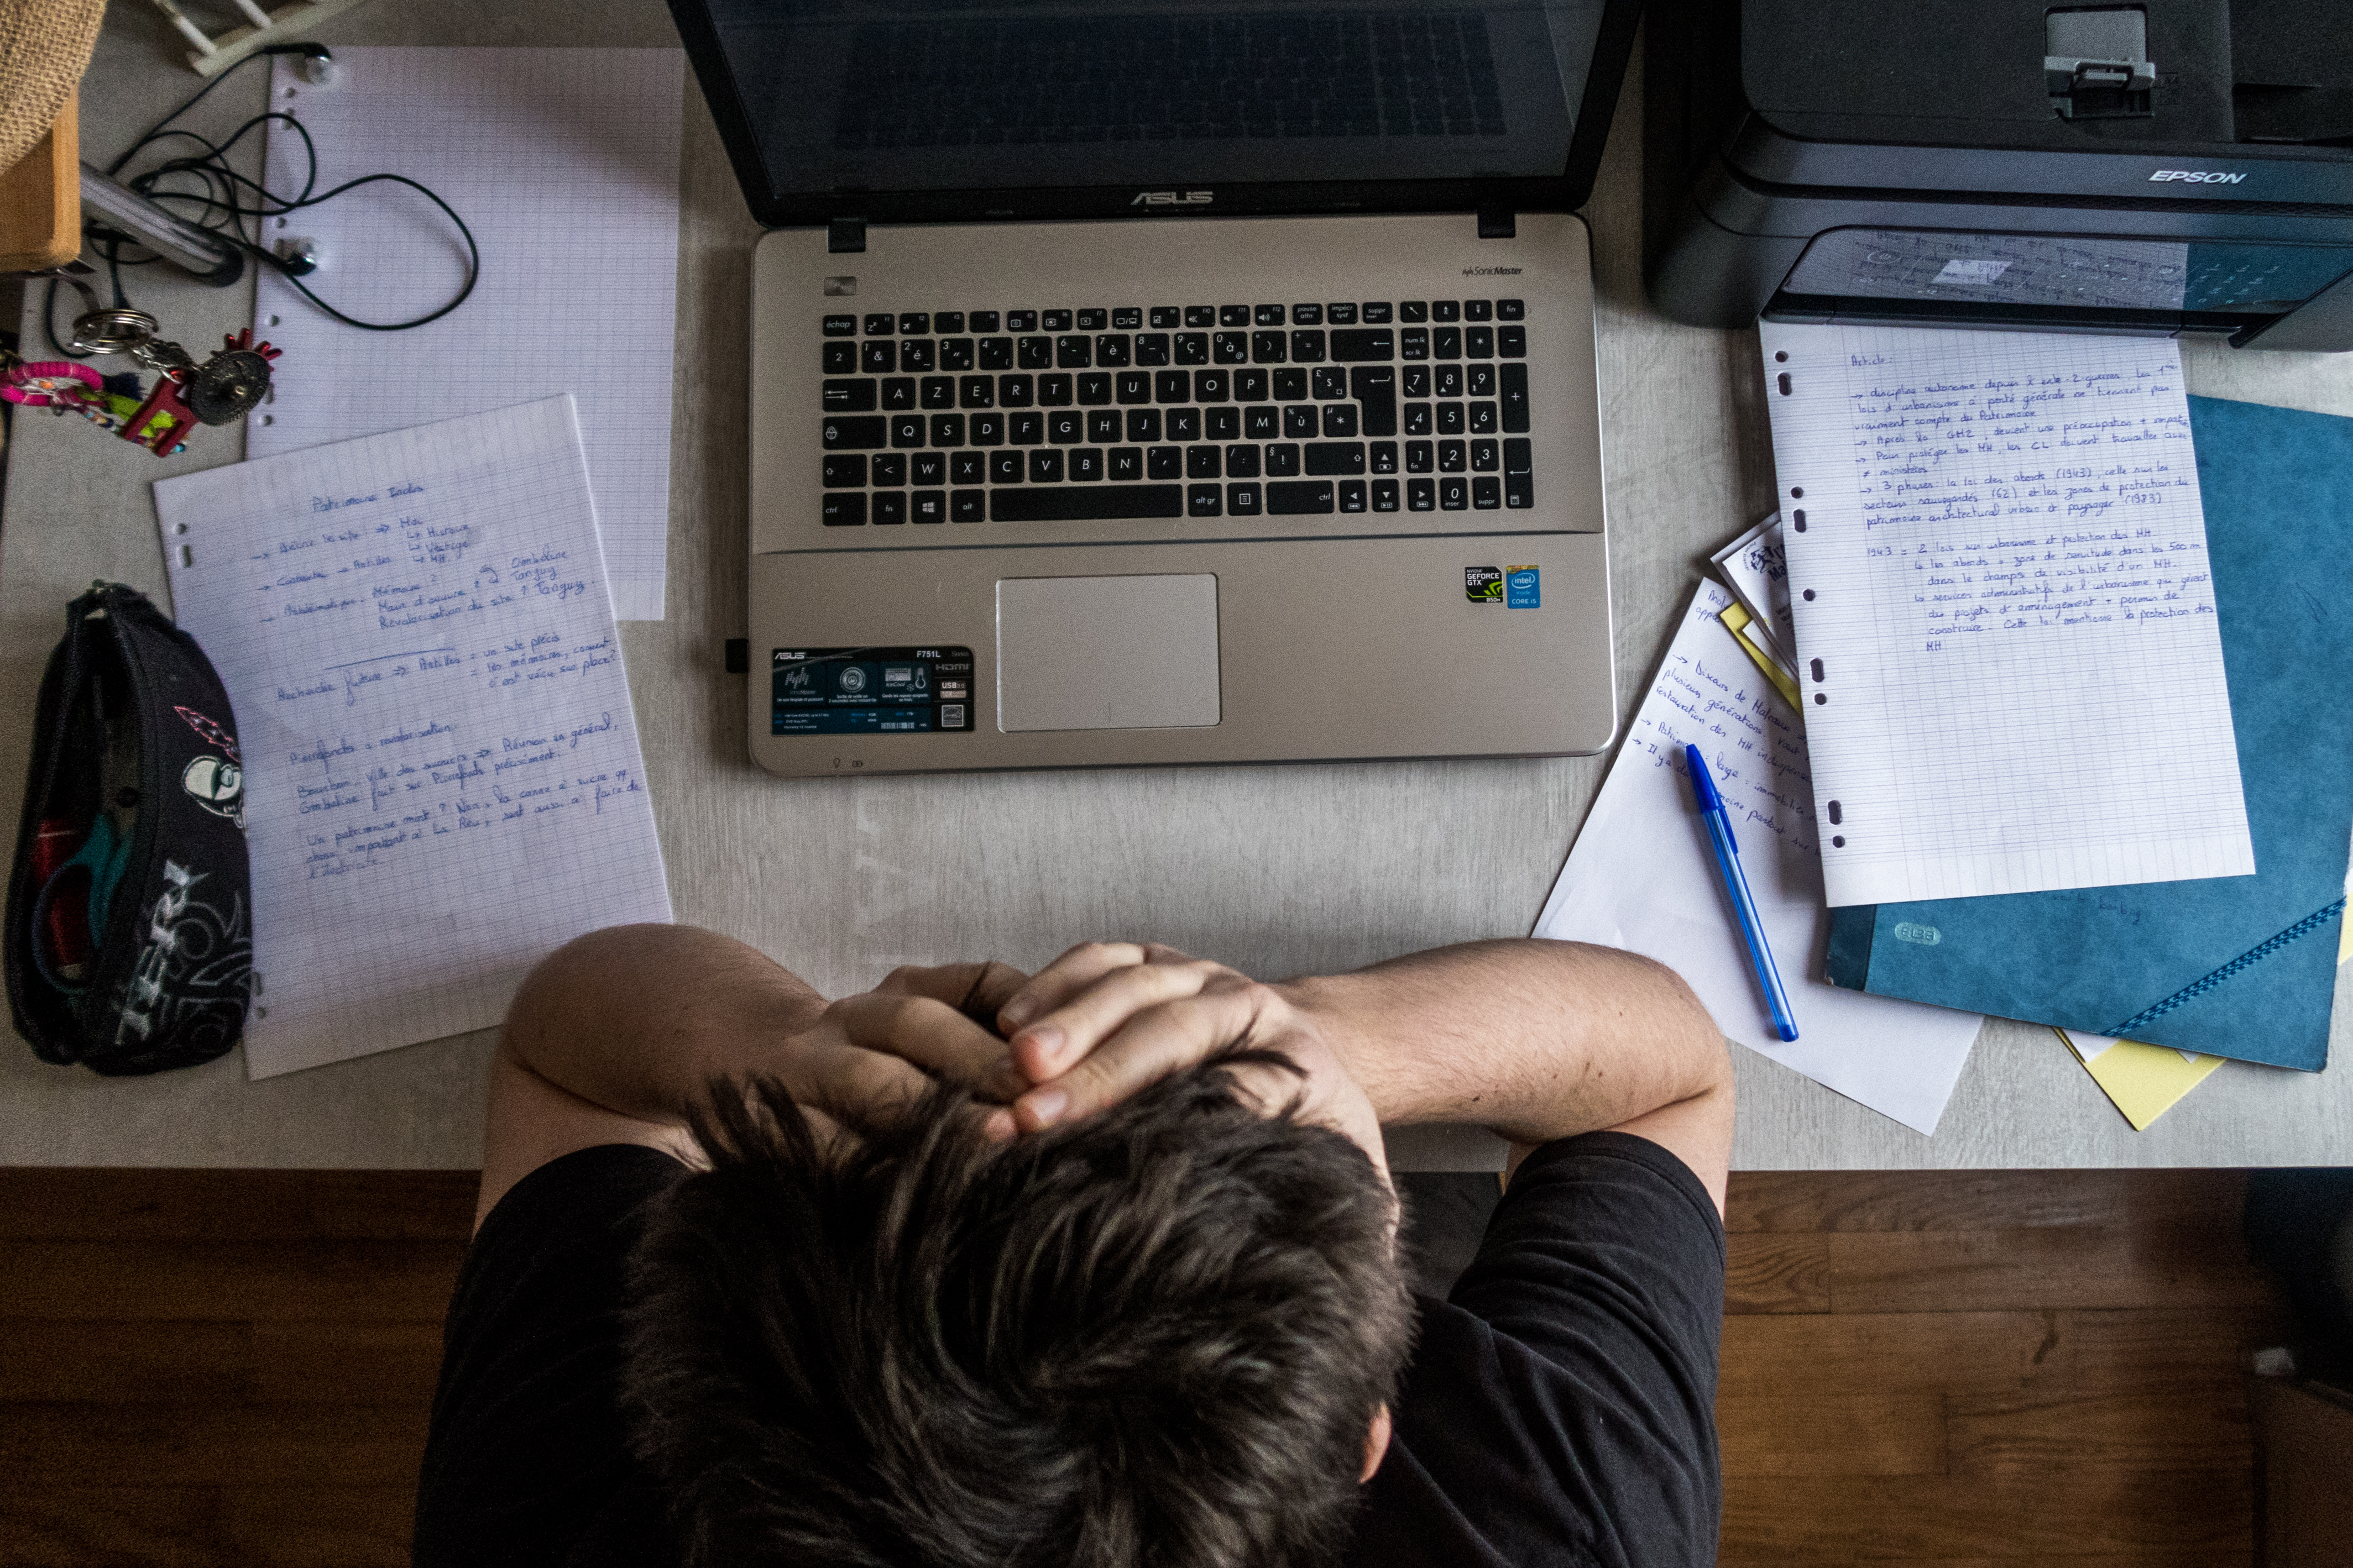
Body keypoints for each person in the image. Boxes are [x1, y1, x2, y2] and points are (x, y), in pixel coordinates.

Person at [412, 924, 1732, 1568]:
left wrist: (772, 1050)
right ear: (1368, 1433)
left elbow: (563, 1053)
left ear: (663, 1397)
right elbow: (1665, 1071)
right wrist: (1320, 1041)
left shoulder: (557, 1530)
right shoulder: (1559, 1530)